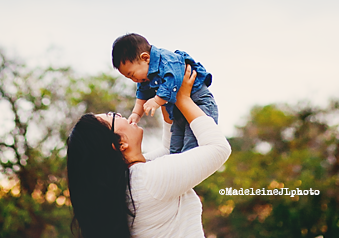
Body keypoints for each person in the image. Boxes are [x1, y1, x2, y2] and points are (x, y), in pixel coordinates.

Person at [67, 65, 231, 238]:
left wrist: (166, 96)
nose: (121, 115)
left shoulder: (129, 181)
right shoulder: (148, 179)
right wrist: (183, 99)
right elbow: (218, 148)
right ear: (119, 143)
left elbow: (169, 151)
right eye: (113, 116)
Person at [112, 32, 218, 153]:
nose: (134, 80)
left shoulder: (168, 61)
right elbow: (142, 93)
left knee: (191, 146)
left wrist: (157, 100)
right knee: (175, 148)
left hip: (199, 104)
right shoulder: (145, 75)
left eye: (132, 75)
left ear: (145, 58)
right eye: (129, 78)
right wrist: (136, 113)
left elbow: (174, 81)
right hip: (178, 112)